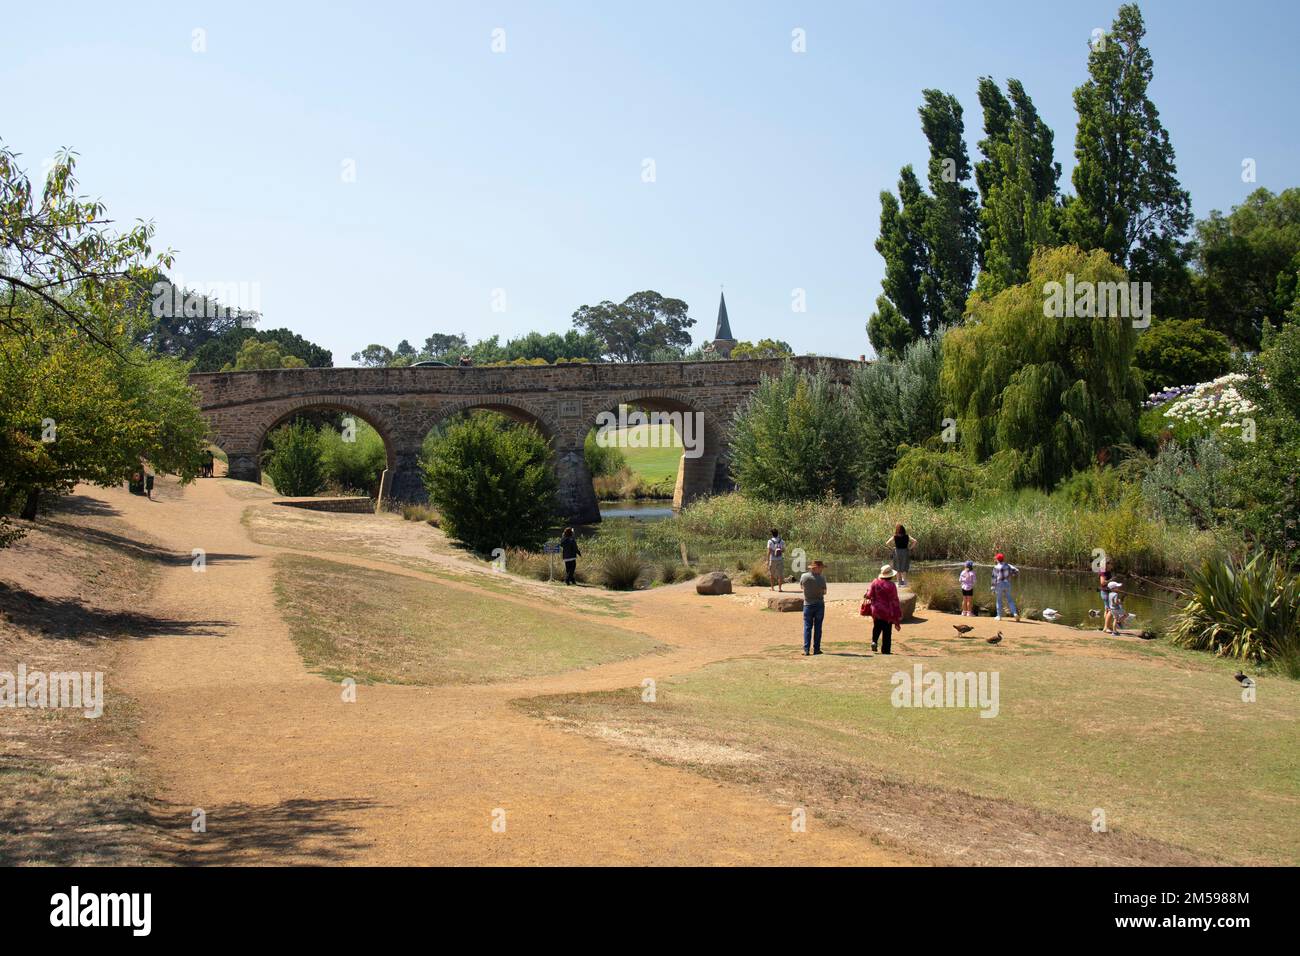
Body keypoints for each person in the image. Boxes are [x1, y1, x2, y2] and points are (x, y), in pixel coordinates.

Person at [866, 564, 903, 654]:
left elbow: (869, 595)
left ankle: (874, 641)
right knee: (887, 631)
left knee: (877, 627)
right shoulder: (892, 586)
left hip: (877, 610)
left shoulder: (875, 582)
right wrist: (897, 615)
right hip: (887, 612)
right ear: (890, 576)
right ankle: (886, 650)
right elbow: (895, 600)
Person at [799, 559, 828, 656]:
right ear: (817, 568)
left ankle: (806, 649)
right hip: (819, 604)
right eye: (821, 568)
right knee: (818, 627)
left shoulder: (804, 576)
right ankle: (816, 649)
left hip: (808, 604)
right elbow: (824, 592)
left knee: (807, 627)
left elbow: (801, 587)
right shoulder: (822, 578)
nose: (822, 570)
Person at [991, 552, 1019, 622]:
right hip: (1007, 583)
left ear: (997, 559)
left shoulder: (995, 567)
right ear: (1003, 559)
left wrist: (993, 588)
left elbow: (994, 578)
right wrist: (1011, 575)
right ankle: (1015, 613)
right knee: (1010, 599)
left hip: (999, 584)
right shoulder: (1008, 565)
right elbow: (1017, 571)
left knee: (999, 600)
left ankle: (999, 616)